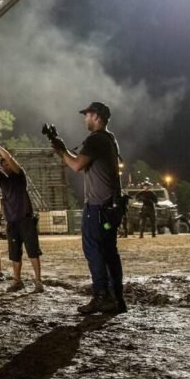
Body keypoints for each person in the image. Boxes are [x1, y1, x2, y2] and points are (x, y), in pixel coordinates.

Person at [52, 101, 126, 314]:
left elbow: (76, 165)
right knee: (110, 252)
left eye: (87, 115)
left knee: (94, 252)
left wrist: (60, 150)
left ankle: (101, 296)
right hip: (110, 207)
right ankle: (116, 298)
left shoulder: (95, 139)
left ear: (95, 116)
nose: (85, 119)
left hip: (97, 208)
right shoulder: (110, 139)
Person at [0, 139, 43, 292]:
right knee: (15, 253)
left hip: (26, 218)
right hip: (12, 220)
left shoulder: (20, 176)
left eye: (7, 163)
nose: (6, 165)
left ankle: (38, 280)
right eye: (4, 165)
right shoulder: (3, 181)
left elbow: (9, 158)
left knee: (32, 251)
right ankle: (17, 280)